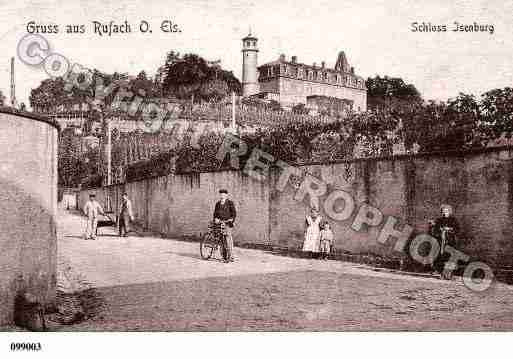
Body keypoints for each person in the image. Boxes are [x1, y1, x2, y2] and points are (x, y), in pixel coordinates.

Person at [429, 204, 460, 280]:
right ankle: (440, 272)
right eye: (443, 211)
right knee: (440, 256)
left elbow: (457, 229)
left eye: (446, 211)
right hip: (441, 241)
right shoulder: (439, 220)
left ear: (449, 212)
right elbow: (435, 231)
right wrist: (434, 227)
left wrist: (449, 229)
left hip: (450, 241)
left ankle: (449, 274)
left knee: (450, 257)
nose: (444, 213)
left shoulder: (454, 220)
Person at [213, 189, 237, 262]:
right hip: (220, 223)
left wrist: (231, 220)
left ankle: (231, 256)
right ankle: (224, 256)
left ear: (226, 195)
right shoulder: (217, 204)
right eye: (220, 194)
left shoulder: (230, 203)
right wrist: (216, 219)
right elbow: (215, 214)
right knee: (221, 240)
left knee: (228, 239)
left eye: (223, 194)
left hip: (227, 223)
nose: (222, 196)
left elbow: (234, 213)